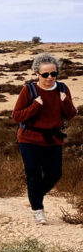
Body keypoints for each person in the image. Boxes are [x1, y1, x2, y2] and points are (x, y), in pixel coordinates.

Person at [11, 53, 76, 225]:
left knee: (55, 174)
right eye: (45, 74)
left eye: (53, 74)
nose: (50, 78)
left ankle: (35, 196)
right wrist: (35, 106)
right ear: (37, 74)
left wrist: (65, 102)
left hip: (52, 139)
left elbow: (71, 114)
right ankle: (38, 210)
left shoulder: (62, 89)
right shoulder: (29, 90)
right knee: (33, 175)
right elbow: (16, 116)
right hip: (29, 139)